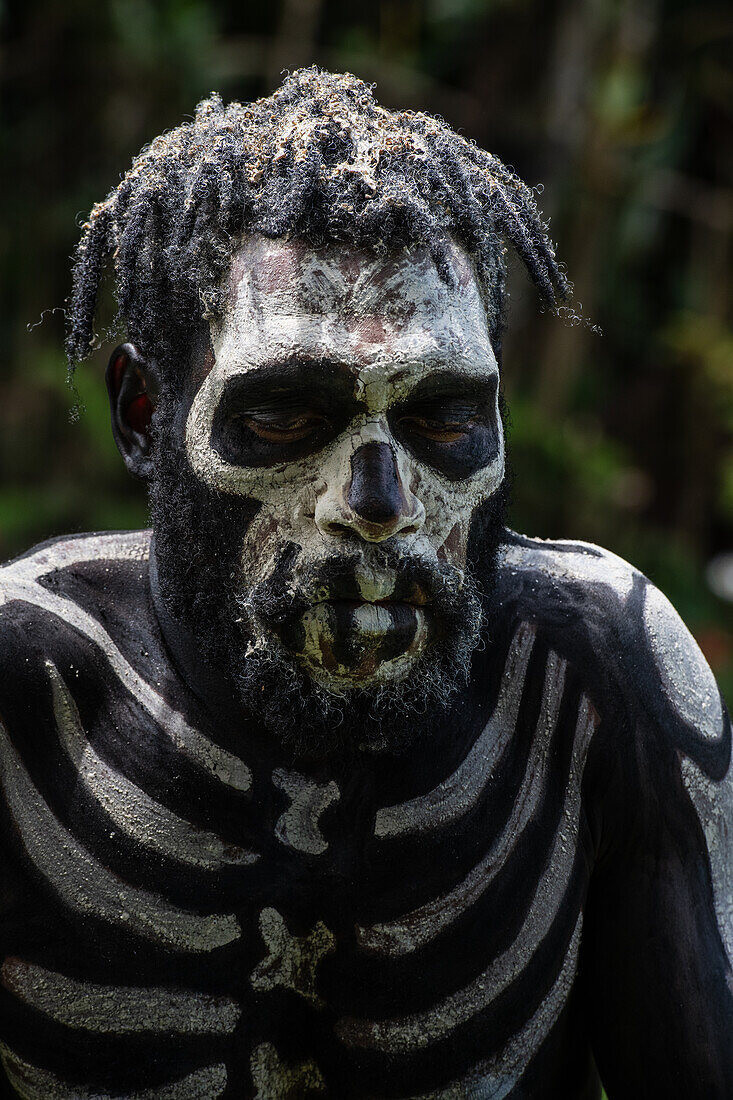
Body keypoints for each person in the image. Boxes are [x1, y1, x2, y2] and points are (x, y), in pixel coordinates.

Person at [0, 67, 731, 1100]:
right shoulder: (26, 684)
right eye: (290, 413)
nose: (378, 501)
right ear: (145, 413)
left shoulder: (595, 674)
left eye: (441, 417)